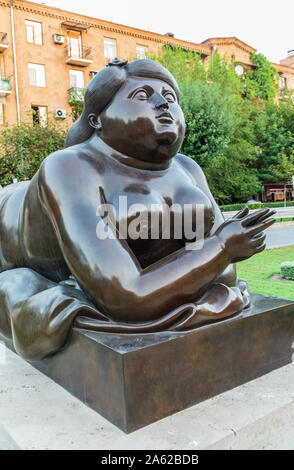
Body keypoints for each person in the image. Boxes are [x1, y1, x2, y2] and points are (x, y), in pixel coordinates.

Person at [0, 58, 275, 361]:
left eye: (169, 97)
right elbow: (126, 296)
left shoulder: (187, 169)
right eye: (142, 96)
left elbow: (224, 276)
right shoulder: (70, 168)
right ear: (97, 119)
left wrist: (214, 252)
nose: (162, 103)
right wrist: (221, 246)